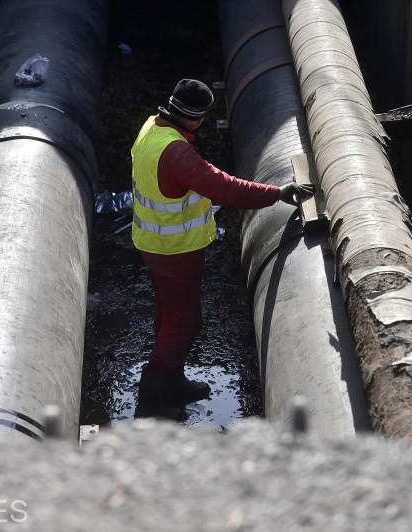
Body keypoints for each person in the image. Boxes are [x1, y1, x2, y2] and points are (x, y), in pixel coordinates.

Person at [130, 78, 313, 412]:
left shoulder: (151, 129)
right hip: (175, 251)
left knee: (168, 313)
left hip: (152, 243)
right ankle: (157, 389)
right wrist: (277, 193)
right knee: (184, 322)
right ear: (197, 118)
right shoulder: (178, 153)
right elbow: (226, 188)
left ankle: (169, 379)